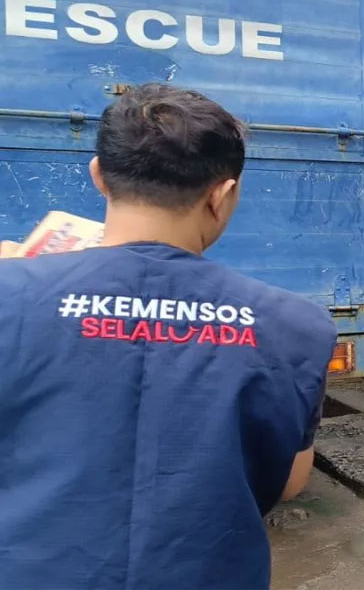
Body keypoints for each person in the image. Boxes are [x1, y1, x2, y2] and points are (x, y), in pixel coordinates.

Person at [0, 84, 332, 588]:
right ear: (223, 195)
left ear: (99, 178)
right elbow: (289, 482)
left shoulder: (12, 291)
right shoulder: (297, 324)